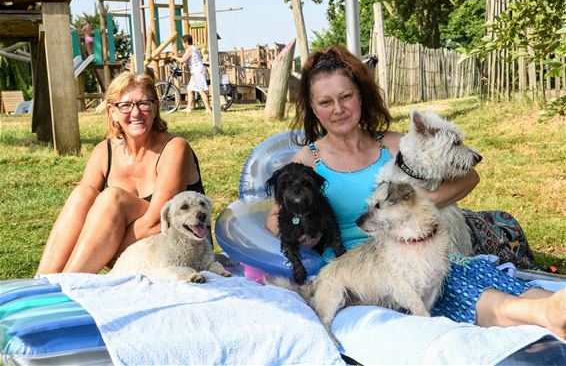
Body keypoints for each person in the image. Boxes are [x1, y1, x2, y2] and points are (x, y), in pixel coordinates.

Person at [265, 45, 566, 339]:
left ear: (361, 95)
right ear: (313, 107)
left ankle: (549, 305)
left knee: (467, 272)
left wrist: (428, 201)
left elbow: (469, 177)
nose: (339, 109)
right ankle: (545, 315)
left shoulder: (395, 145)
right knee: (453, 288)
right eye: (326, 102)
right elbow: (275, 220)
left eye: (346, 96)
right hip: (363, 270)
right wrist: (304, 233)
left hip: (421, 249)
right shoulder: (308, 160)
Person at [36, 72, 205, 275]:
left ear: (155, 107)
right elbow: (81, 215)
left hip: (177, 252)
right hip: (134, 252)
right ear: (113, 111)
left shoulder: (175, 148)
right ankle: (42, 281)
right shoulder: (103, 152)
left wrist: (106, 249)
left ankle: (68, 285)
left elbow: (160, 220)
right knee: (82, 194)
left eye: (143, 103)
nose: (135, 113)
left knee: (113, 197)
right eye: (125, 106)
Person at [171, 34, 211, 113]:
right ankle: (189, 108)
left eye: (183, 42)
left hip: (198, 71)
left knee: (201, 90)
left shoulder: (190, 49)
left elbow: (182, 60)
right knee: (190, 89)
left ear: (186, 42)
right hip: (195, 71)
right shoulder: (192, 48)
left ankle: (208, 109)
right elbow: (186, 60)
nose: (182, 44)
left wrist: (174, 57)